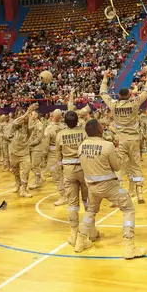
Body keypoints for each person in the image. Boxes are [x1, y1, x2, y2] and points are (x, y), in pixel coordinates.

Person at [74, 118, 146, 259]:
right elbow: (117, 166)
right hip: (109, 186)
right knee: (128, 208)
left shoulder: (81, 146)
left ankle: (80, 241)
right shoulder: (107, 146)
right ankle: (129, 246)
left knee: (90, 211)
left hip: (92, 187)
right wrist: (118, 149)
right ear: (100, 130)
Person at [99, 65, 147, 202]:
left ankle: (120, 193)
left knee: (119, 166)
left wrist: (105, 78)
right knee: (136, 166)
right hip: (134, 139)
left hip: (120, 140)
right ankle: (140, 192)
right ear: (129, 95)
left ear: (119, 96)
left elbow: (103, 93)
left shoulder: (114, 105)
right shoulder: (134, 103)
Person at [56, 93, 92, 246]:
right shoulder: (84, 132)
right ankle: (90, 231)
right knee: (88, 201)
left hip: (68, 170)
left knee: (72, 204)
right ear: (78, 120)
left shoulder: (60, 134)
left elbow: (58, 155)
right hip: (83, 168)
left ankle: (73, 233)